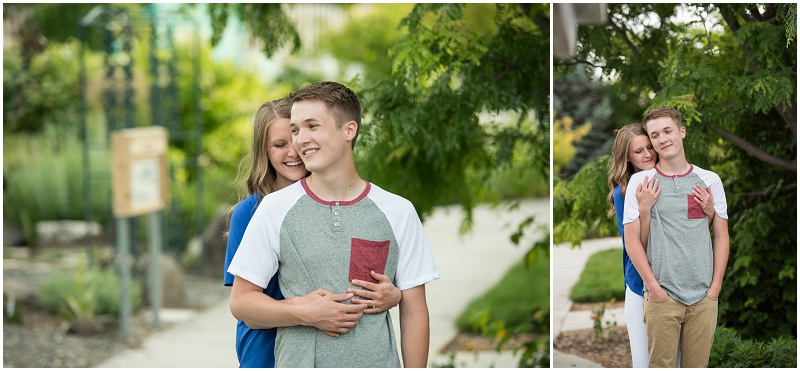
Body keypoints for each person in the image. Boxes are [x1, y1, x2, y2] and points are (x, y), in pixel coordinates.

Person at [227, 82, 439, 368]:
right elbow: (241, 304)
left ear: (349, 130)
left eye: (312, 126)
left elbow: (414, 310)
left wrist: (397, 296)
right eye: (295, 130)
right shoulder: (272, 209)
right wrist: (307, 312)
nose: (300, 140)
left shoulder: (398, 211)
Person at [622, 106, 729, 368]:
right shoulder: (642, 183)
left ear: (682, 131)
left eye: (667, 131)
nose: (662, 139)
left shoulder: (709, 180)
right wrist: (655, 290)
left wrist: (714, 289)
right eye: (654, 135)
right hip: (662, 297)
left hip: (703, 297)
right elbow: (633, 241)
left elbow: (721, 236)